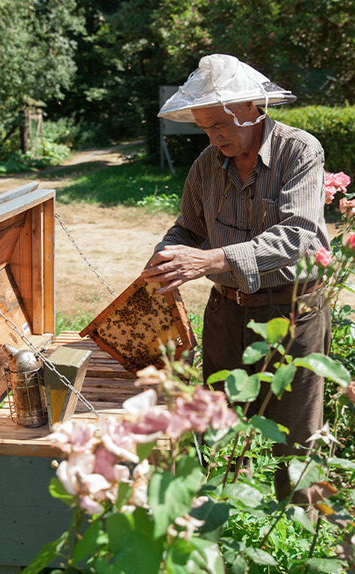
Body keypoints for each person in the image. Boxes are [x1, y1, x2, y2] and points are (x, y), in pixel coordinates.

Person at [141, 54, 332, 501]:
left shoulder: (300, 150)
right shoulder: (207, 164)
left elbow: (302, 237)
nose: (213, 137)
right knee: (218, 428)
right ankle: (222, 527)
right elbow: (189, 227)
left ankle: (300, 540)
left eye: (220, 124)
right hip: (227, 315)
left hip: (293, 315)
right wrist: (165, 255)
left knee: (296, 440)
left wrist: (211, 261)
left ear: (251, 107)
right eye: (206, 127)